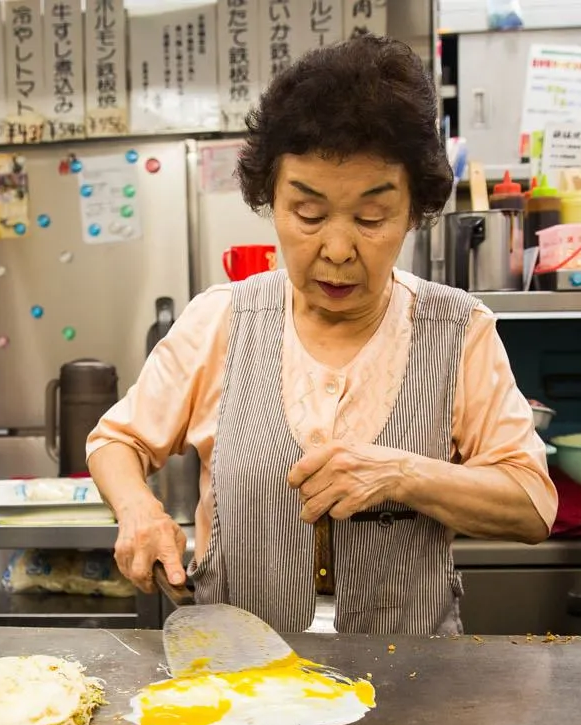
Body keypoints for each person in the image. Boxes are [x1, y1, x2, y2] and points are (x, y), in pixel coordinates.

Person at [86, 36, 556, 636]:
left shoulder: (459, 331)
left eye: (370, 218)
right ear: (272, 201)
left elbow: (532, 505)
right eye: (308, 215)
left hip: (412, 685)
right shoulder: (222, 320)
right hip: (238, 679)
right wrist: (139, 510)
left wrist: (403, 475)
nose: (337, 249)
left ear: (414, 210)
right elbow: (115, 442)